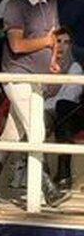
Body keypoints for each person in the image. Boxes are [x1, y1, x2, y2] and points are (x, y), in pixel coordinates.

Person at [0, 0, 67, 206]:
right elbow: (16, 45)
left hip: (36, 78)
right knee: (36, 130)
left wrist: (53, 59)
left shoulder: (49, 4)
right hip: (17, 76)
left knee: (13, 134)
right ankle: (48, 189)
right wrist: (48, 44)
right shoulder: (15, 5)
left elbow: (53, 37)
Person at [46, 30, 83, 187]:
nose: (61, 46)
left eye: (66, 42)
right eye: (58, 41)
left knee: (63, 109)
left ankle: (60, 174)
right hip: (49, 112)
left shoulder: (75, 68)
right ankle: (58, 175)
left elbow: (69, 98)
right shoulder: (41, 65)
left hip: (61, 112)